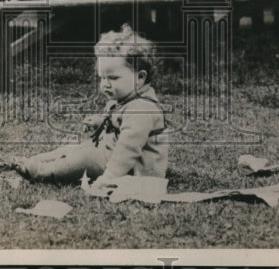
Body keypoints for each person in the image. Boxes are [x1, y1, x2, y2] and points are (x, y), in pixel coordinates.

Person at [11, 24, 166, 191]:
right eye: (102, 78)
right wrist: (101, 122)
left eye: (113, 78)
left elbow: (127, 150)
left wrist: (109, 178)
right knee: (73, 148)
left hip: (130, 169)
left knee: (82, 158)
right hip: (109, 153)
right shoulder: (125, 98)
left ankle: (42, 171)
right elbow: (119, 125)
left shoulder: (142, 109)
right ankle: (33, 160)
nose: (105, 84)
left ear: (140, 77)